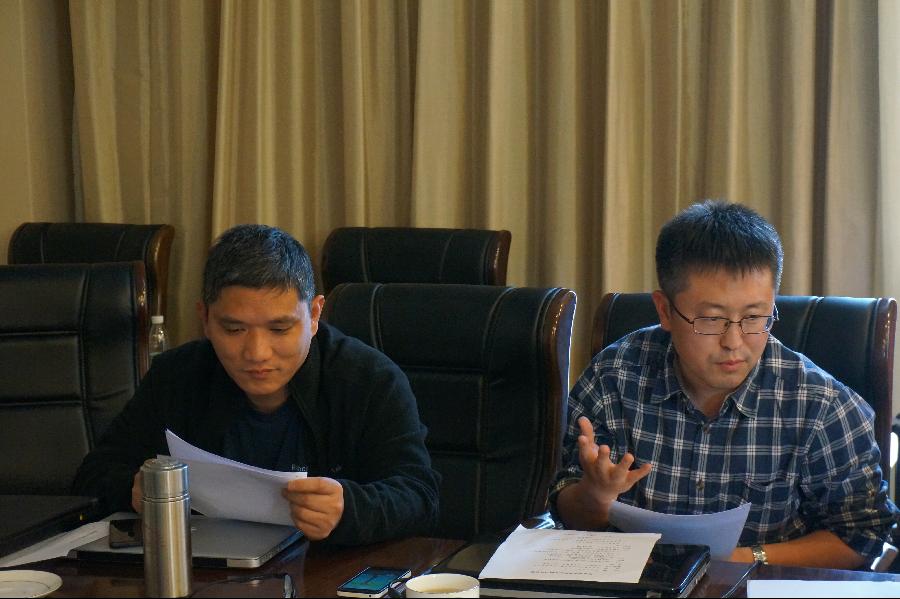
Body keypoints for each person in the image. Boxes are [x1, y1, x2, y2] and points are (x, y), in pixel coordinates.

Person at [550, 200, 898, 569]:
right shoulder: (615, 377)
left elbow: (862, 537)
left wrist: (742, 560)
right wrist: (595, 496)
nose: (734, 342)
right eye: (712, 320)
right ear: (665, 311)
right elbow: (566, 511)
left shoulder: (821, 405)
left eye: (754, 317)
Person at [73, 224, 440, 545]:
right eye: (234, 329)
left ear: (314, 315)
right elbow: (93, 474)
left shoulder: (368, 379)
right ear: (205, 318)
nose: (257, 353)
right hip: (204, 570)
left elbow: (420, 496)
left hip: (324, 571)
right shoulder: (177, 376)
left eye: (280, 329)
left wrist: (349, 508)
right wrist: (134, 489)